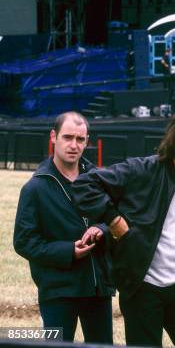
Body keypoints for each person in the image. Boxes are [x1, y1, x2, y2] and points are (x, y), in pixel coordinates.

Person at [72, 108, 175, 348]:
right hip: (142, 289)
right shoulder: (143, 170)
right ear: (173, 140)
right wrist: (114, 220)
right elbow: (85, 185)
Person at [13, 112, 114, 344]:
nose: (74, 145)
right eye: (68, 137)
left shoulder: (100, 179)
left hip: (98, 288)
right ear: (53, 137)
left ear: (87, 141)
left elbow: (114, 219)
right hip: (58, 290)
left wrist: (102, 229)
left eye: (80, 139)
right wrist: (68, 251)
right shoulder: (35, 188)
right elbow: (24, 242)